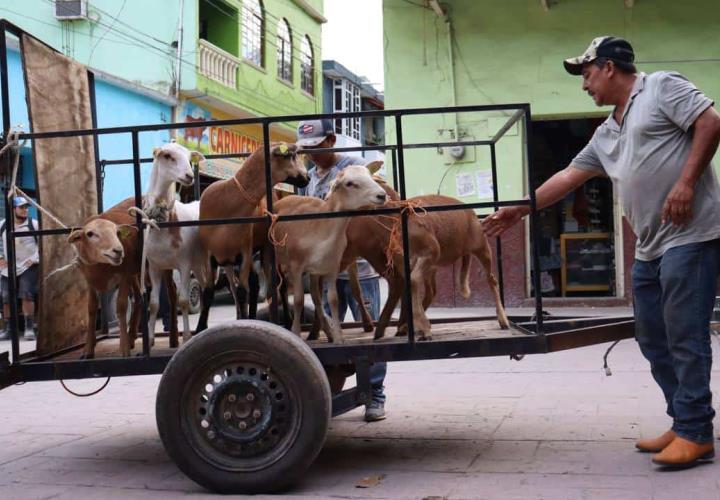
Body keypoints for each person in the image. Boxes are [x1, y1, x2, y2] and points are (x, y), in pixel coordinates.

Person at [484, 36, 720, 468]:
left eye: (588, 75)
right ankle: (683, 419)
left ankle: (697, 432)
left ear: (609, 68)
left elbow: (710, 122)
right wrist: (519, 209)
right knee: (652, 337)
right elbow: (568, 177)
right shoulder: (608, 131)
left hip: (691, 236)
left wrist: (685, 183)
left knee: (685, 334)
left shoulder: (661, 87)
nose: (584, 85)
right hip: (649, 248)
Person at [296, 118, 388, 422]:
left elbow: (378, 199)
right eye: (306, 149)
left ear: (332, 140)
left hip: (359, 266)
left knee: (371, 330)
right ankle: (329, 391)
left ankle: (375, 395)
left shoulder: (355, 168)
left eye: (317, 147)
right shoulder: (310, 176)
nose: (312, 154)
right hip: (324, 266)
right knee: (327, 330)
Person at [0, 196, 40, 341]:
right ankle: (9, 329)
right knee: (6, 297)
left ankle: (29, 328)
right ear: (13, 209)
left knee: (26, 295)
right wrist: (0, 258)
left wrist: (35, 259)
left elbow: (44, 243)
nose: (25, 210)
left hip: (27, 266)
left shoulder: (33, 225)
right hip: (8, 267)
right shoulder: (4, 225)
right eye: (21, 207)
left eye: (26, 207)